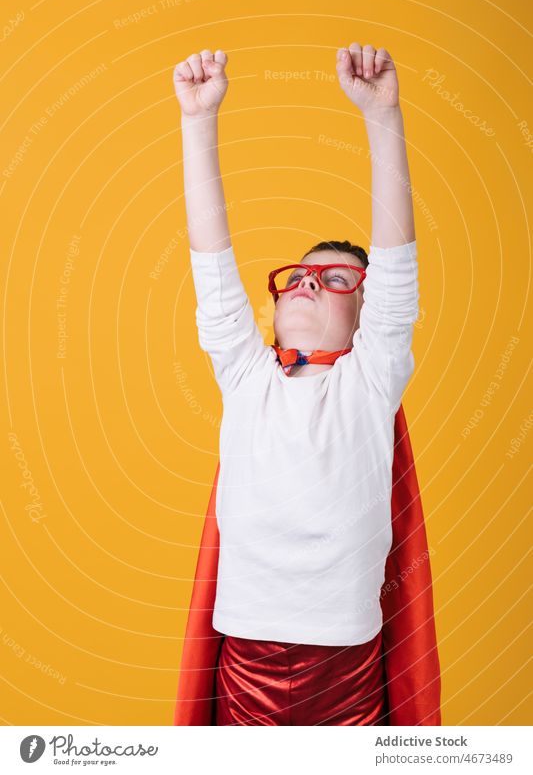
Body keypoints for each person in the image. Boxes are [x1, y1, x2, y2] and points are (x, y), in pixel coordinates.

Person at [172, 44, 435, 726]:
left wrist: (382, 116)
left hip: (343, 665)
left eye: (337, 277)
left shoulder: (370, 379)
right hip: (245, 655)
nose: (310, 280)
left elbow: (397, 267)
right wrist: (197, 124)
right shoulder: (245, 371)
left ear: (365, 310)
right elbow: (211, 264)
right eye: (296, 275)